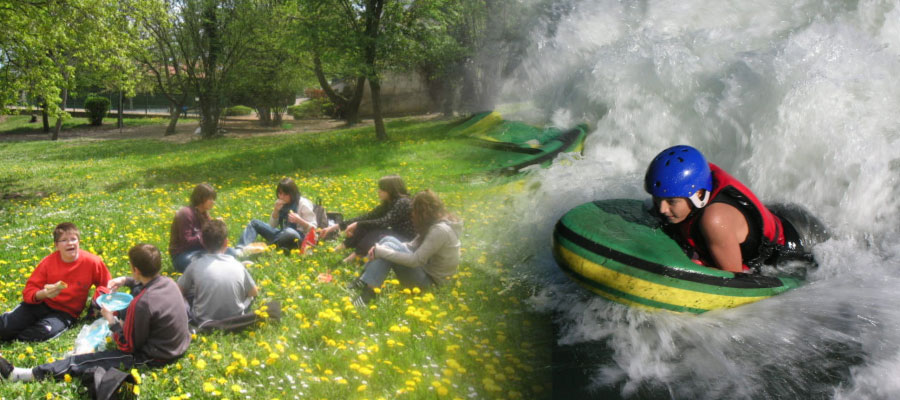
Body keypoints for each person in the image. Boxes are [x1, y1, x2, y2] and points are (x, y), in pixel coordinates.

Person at [0, 243, 191, 382]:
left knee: (85, 361)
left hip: (156, 355)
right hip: (178, 344)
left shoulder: (142, 304)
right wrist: (125, 280)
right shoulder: (169, 282)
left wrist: (111, 321)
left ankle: (22, 374)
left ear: (136, 269)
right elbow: (145, 284)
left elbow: (127, 346)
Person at [644, 145, 813, 273]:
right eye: (658, 199)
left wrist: (700, 265)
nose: (662, 209)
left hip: (797, 241)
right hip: (775, 214)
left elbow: (734, 280)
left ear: (699, 194)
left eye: (671, 202)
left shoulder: (715, 221)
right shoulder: (690, 182)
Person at [347, 190, 462, 307]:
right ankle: (364, 280)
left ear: (423, 213)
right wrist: (381, 248)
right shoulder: (436, 225)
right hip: (425, 273)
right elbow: (410, 246)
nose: (412, 215)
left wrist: (381, 252)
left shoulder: (439, 230)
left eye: (414, 211)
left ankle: (368, 294)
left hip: (432, 285)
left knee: (385, 250)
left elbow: (415, 261)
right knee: (388, 240)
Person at [0, 222, 111, 342]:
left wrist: (97, 301)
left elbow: (107, 284)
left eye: (73, 239)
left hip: (65, 313)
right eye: (64, 240)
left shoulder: (92, 262)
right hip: (40, 304)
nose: (70, 243)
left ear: (79, 242)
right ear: (56, 246)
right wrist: (44, 294)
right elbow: (28, 292)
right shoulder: (48, 263)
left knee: (40, 333)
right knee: (5, 327)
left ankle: (18, 337)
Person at [180, 219, 258, 326]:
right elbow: (254, 292)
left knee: (184, 293)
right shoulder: (237, 264)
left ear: (202, 242)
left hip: (202, 320)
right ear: (226, 242)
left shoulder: (194, 265)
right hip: (236, 317)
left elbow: (179, 291)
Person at [320, 175, 415, 263]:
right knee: (364, 225)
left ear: (391, 190)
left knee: (376, 232)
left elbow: (384, 222)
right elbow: (367, 217)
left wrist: (358, 224)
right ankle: (338, 250)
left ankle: (352, 258)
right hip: (395, 234)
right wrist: (332, 228)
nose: (379, 191)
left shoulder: (403, 203)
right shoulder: (390, 202)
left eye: (382, 189)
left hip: (406, 240)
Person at [168, 183, 238, 272]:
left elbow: (211, 239)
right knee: (193, 262)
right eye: (210, 199)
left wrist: (218, 227)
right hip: (183, 255)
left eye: (213, 199)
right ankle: (218, 265)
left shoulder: (205, 214)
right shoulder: (186, 214)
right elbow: (186, 242)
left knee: (231, 252)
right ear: (200, 198)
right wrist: (204, 233)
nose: (213, 202)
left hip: (201, 252)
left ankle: (213, 266)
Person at [236, 178, 317, 254]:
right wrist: (276, 210)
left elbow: (314, 229)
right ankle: (240, 249)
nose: (281, 197)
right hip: (281, 234)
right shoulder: (282, 204)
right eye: (280, 193)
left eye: (285, 194)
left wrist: (299, 220)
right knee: (254, 223)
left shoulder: (303, 204)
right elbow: (272, 225)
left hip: (298, 238)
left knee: (290, 232)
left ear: (292, 194)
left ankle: (265, 248)